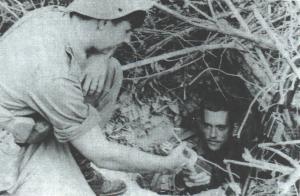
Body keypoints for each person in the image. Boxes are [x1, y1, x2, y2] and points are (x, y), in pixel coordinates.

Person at [0, 0, 196, 195]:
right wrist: (166, 164)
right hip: (11, 142)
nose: (128, 39)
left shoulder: (53, 16)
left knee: (110, 70)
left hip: (32, 114)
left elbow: (94, 42)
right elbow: (103, 155)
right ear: (102, 23)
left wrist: (101, 57)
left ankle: (79, 162)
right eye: (127, 30)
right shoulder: (54, 77)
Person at [142, 91, 248, 195]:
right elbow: (154, 188)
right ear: (200, 123)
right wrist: (180, 181)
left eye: (220, 127)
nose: (212, 134)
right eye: (207, 126)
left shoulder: (243, 153)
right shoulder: (186, 148)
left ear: (233, 128)